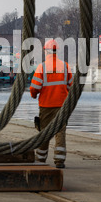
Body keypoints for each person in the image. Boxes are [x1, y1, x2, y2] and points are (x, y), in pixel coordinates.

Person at [30, 39, 73, 168]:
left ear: (46, 51)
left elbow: (34, 87)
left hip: (46, 106)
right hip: (61, 106)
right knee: (60, 132)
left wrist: (33, 95)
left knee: (44, 132)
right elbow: (71, 87)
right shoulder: (65, 66)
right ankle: (59, 161)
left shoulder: (42, 67)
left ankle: (41, 160)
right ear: (56, 51)